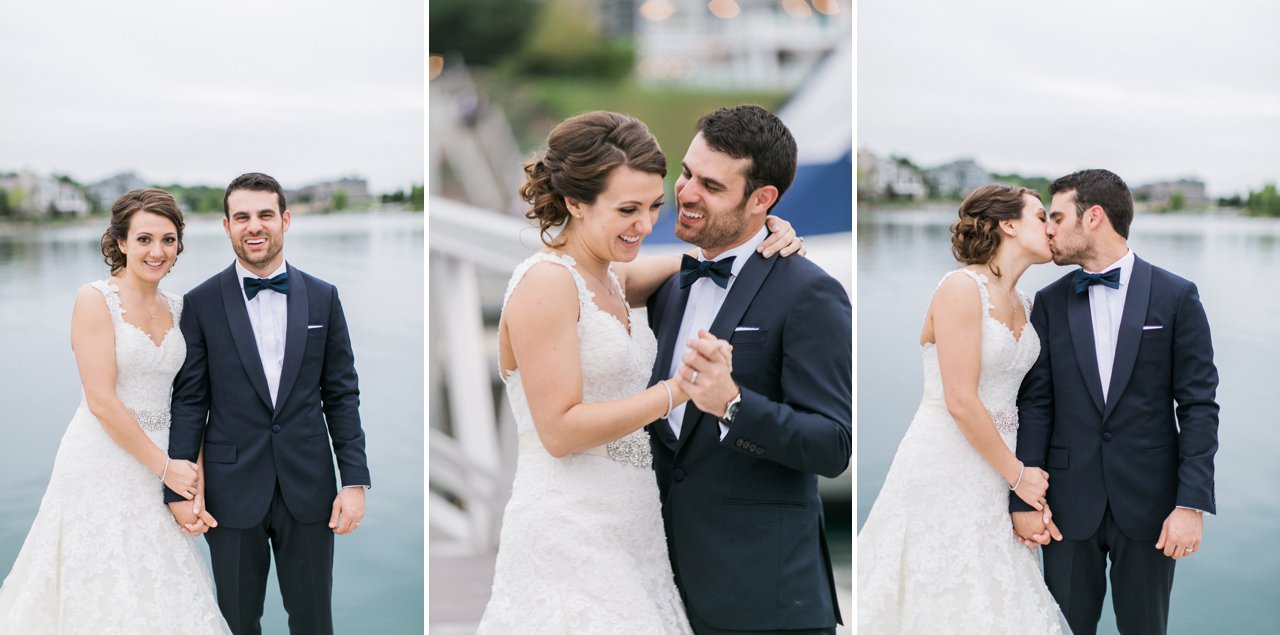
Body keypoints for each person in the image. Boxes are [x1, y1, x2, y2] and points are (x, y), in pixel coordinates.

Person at [478, 111, 803, 633]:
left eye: (654, 205)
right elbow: (559, 431)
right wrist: (678, 391)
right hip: (571, 528)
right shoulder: (547, 284)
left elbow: (692, 262)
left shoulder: (608, 277)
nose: (646, 225)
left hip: (635, 526)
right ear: (575, 203)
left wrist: (762, 231)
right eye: (628, 209)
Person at [646, 104, 851, 634]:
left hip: (768, 601)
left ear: (763, 200)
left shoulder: (809, 293)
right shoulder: (670, 287)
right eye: (687, 173)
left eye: (711, 185)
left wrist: (733, 405)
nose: (686, 192)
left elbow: (832, 445)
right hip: (661, 592)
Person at [0, 189, 230, 633]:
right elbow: (101, 401)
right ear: (121, 242)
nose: (157, 251)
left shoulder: (182, 308)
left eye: (168, 240)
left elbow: (190, 400)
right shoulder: (94, 299)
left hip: (166, 458)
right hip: (101, 459)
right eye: (144, 239)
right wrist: (166, 468)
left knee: (163, 584)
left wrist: (191, 479)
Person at [1011, 169, 1219, 635]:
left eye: (1059, 217)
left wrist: (1191, 503)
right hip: (1065, 508)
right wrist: (1022, 498)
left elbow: (1199, 405)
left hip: (1152, 507)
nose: (1049, 229)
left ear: (1094, 217)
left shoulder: (1177, 296)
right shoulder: (1048, 301)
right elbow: (1037, 405)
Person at [857, 184, 1069, 633]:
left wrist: (1021, 483)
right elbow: (960, 399)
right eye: (1040, 215)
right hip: (947, 463)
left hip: (1000, 470)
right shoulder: (960, 287)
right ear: (1008, 224)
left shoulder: (1028, 305)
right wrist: (1018, 475)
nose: (1050, 227)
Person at [165, 172, 371, 635]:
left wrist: (354, 480)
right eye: (242, 217)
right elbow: (190, 401)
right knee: (238, 621)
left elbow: (341, 394)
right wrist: (180, 491)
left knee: (315, 620)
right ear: (226, 226)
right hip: (230, 492)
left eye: (264, 214)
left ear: (285, 220)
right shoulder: (198, 304)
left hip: (311, 487)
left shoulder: (324, 297)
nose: (253, 226)